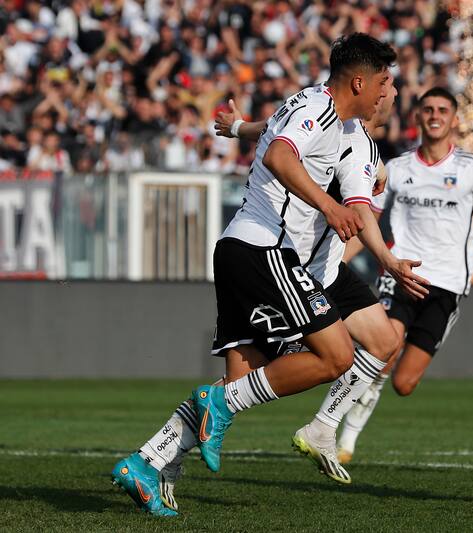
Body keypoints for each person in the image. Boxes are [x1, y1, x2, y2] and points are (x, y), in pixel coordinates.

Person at [110, 33, 396, 516]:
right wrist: (329, 206)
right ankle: (312, 425)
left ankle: (147, 462)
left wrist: (239, 125)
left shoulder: (325, 115)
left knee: (241, 381)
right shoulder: (322, 110)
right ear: (361, 82)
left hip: (244, 250)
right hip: (266, 250)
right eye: (385, 83)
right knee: (336, 356)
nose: (388, 94)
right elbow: (280, 153)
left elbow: (276, 133)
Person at [336, 87, 473, 464]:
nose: (434, 115)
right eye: (427, 109)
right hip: (400, 275)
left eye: (442, 110)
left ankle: (358, 408)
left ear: (453, 119)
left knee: (403, 383)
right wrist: (339, 258)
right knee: (383, 348)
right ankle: (342, 433)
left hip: (447, 285)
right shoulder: (397, 169)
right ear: (417, 117)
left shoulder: (472, 169)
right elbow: (368, 219)